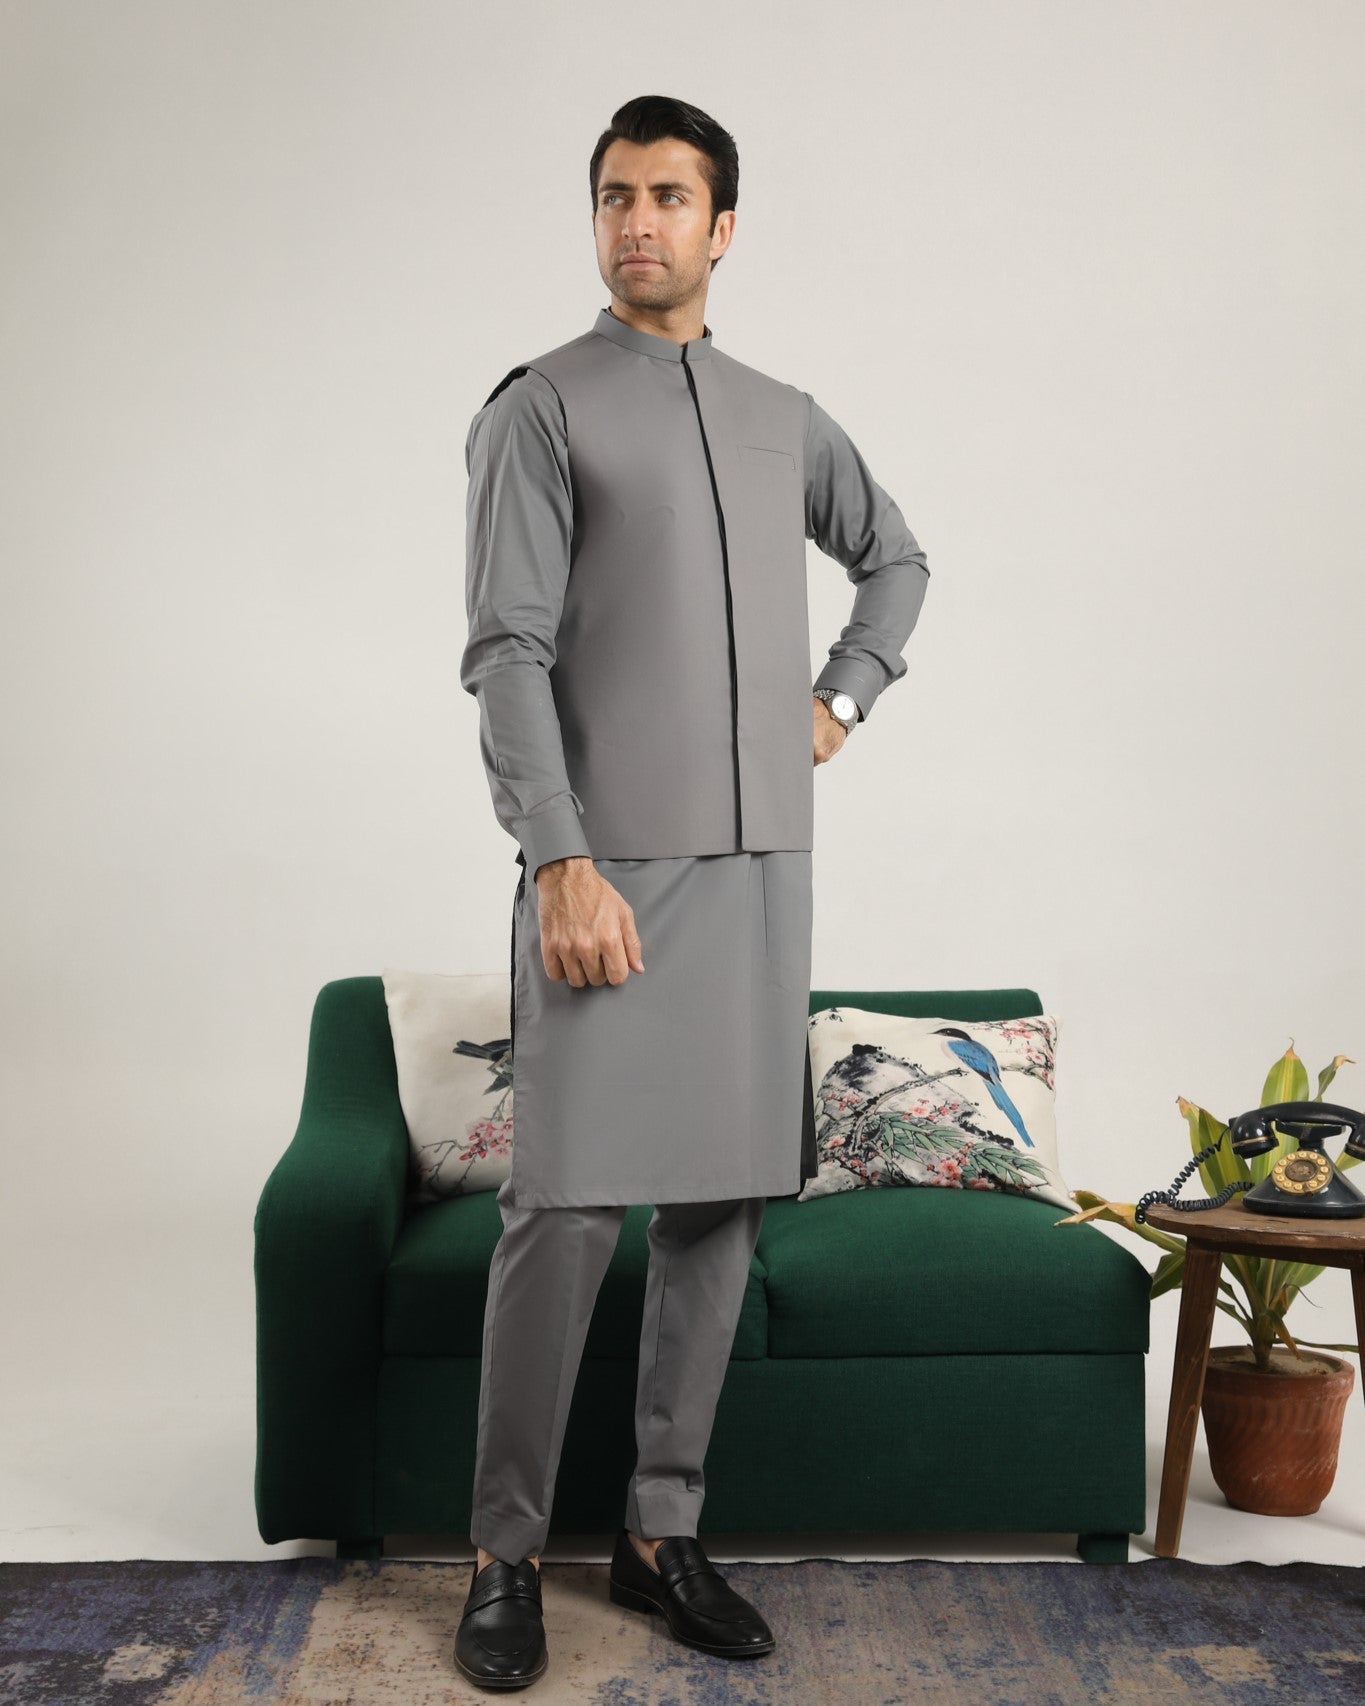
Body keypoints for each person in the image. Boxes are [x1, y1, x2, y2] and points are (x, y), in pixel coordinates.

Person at [454, 92, 931, 1691]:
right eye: (614, 195)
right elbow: (505, 651)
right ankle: (504, 1554)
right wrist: (558, 858)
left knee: (719, 1209)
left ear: (722, 226)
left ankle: (661, 1534)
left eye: (667, 195)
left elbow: (896, 559)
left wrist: (837, 701)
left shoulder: (781, 414)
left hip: (761, 873)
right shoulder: (540, 407)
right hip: (606, 871)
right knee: (563, 1213)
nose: (637, 220)